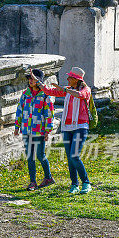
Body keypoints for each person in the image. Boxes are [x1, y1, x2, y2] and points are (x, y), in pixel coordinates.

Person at [40, 66, 92, 195]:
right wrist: (37, 81)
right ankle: (74, 184)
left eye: (69, 77)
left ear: (75, 79)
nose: (67, 79)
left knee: (75, 156)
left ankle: (86, 182)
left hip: (81, 126)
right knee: (70, 158)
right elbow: (48, 91)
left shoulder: (85, 90)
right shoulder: (68, 90)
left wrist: (63, 89)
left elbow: (79, 95)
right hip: (67, 128)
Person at [14, 68, 55, 191]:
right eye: (29, 78)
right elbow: (19, 110)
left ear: (39, 81)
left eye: (33, 78)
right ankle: (33, 182)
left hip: (40, 131)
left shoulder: (45, 96)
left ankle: (48, 177)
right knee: (30, 156)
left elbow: (49, 114)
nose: (30, 81)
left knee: (40, 155)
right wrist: (17, 126)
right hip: (26, 130)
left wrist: (48, 131)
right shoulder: (25, 95)